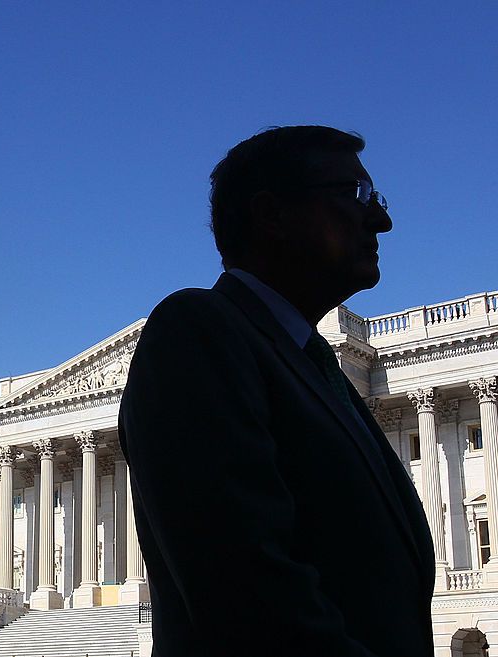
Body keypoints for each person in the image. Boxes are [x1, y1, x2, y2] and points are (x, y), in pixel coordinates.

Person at [118, 126, 435, 657]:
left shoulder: (317, 366)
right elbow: (250, 597)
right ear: (272, 216)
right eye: (356, 195)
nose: (382, 218)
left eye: (377, 199)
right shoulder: (196, 331)